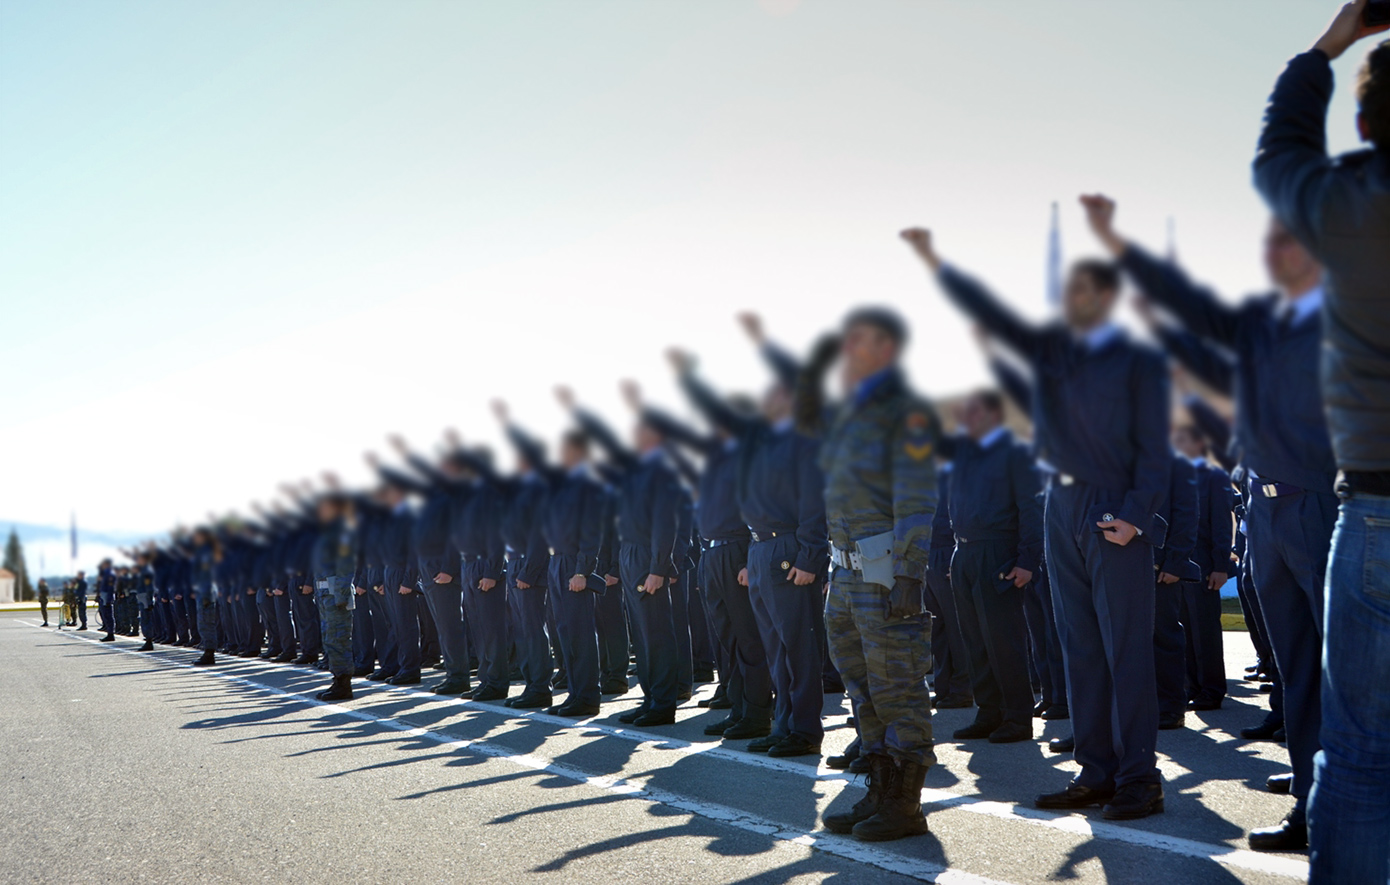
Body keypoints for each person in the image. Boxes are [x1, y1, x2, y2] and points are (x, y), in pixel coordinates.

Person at [1081, 193, 1334, 847]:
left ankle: (1353, 797)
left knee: (1353, 671)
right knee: (1298, 669)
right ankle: (1313, 796)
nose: (1275, 252)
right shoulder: (1261, 326)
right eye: (1270, 241)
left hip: (1324, 505)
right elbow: (1189, 306)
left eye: (1290, 240)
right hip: (1270, 512)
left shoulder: (1349, 317)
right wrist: (1117, 244)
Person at [905, 226, 1171, 821]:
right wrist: (935, 261)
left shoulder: (1137, 365)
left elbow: (1155, 451)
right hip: (1061, 505)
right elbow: (991, 313)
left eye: (1082, 292)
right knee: (1080, 649)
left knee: (1124, 650)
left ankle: (1140, 778)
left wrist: (1133, 517)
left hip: (1110, 508)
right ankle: (1097, 770)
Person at [1252, 3, 1390, 878]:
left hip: (1375, 511)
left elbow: (1279, 149)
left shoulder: (1346, 204)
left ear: (1369, 123)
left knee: (1361, 752)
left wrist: (1331, 46)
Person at [800, 307, 939, 842]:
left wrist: (909, 572)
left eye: (862, 342)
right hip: (846, 574)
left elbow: (918, 496)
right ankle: (878, 789)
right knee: (862, 686)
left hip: (884, 571)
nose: (849, 351)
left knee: (898, 683)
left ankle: (906, 804)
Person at [666, 345, 828, 758]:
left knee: (798, 646)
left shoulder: (802, 444)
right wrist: (690, 381)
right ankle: (783, 723)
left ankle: (805, 728)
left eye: (779, 396)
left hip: (789, 548)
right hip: (760, 551)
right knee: (775, 648)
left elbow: (814, 503)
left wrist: (811, 557)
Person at [566, 387, 684, 727]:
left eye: (641, 429)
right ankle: (650, 699)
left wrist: (659, 568)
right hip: (631, 553)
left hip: (648, 556)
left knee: (657, 633)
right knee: (642, 634)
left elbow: (665, 522)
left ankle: (663, 704)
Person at [944, 390, 1043, 745]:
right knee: (974, 641)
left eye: (974, 410)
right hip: (965, 552)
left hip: (998, 551)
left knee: (1004, 641)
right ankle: (989, 712)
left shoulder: (1014, 452)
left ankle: (1018, 717)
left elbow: (1032, 508)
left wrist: (1028, 561)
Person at [311, 486, 359, 702]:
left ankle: (343, 683)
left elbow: (346, 564)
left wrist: (340, 595)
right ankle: (337, 679)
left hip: (335, 595)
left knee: (339, 639)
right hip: (325, 594)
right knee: (330, 639)